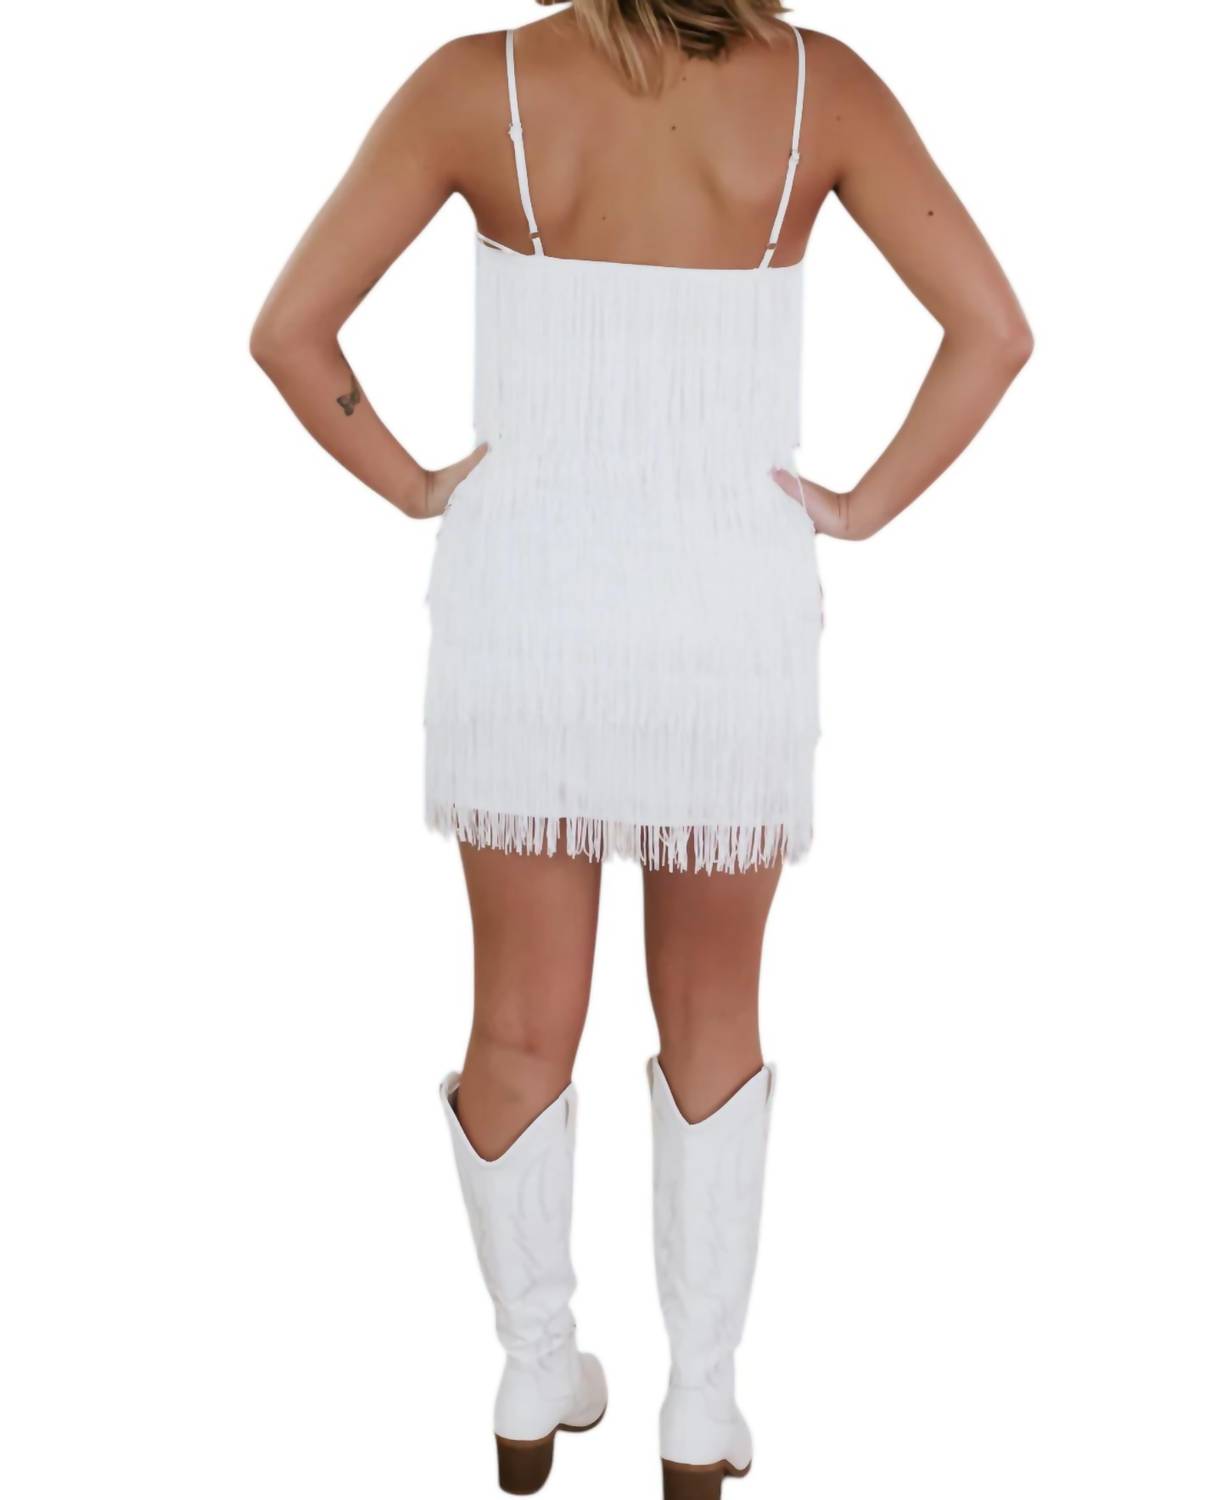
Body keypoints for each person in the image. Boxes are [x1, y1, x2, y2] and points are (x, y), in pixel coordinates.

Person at [250, 3, 1032, 1495]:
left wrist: (419, 486)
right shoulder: (822, 91)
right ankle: (701, 1407)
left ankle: (534, 1369)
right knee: (714, 1012)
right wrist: (856, 509)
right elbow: (995, 333)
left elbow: (288, 332)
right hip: (726, 623)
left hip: (524, 615)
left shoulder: (476, 84)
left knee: (517, 1021)